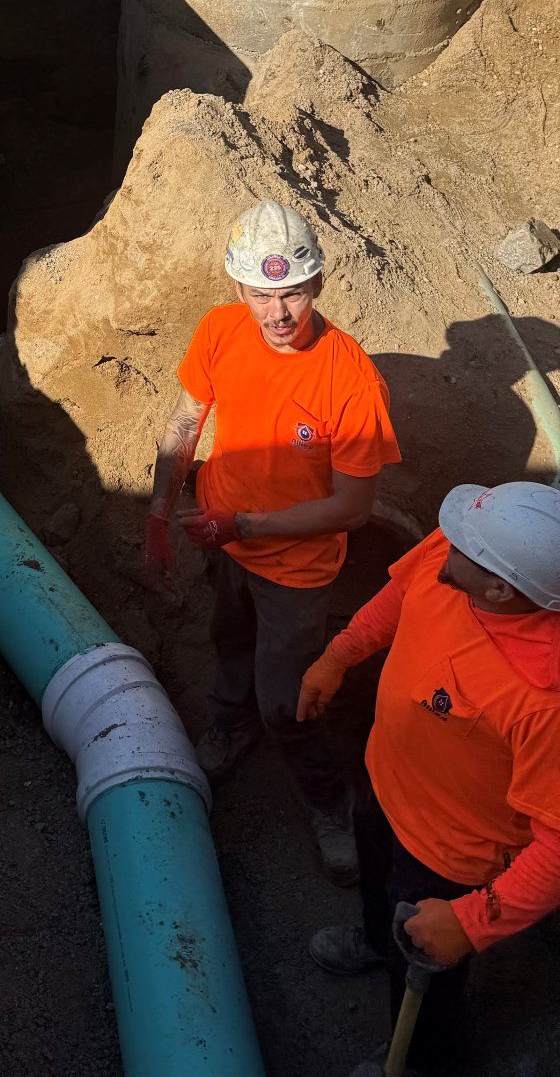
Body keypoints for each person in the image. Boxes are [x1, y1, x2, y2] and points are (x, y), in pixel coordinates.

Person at [145, 199, 400, 883]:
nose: (278, 314)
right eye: (261, 294)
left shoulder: (350, 377)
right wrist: (158, 514)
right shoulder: (221, 331)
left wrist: (246, 527)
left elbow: (351, 506)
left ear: (318, 283)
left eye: (291, 293)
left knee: (287, 701)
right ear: (237, 290)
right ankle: (230, 724)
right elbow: (186, 420)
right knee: (229, 640)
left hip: (297, 568)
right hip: (222, 540)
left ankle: (330, 804)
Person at [303, 481, 560, 1077]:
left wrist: (470, 922)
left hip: (448, 859)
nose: (443, 542)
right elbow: (400, 594)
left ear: (499, 588)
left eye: (459, 546)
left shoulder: (542, 701)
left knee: (425, 970)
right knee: (379, 893)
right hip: (384, 781)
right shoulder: (467, 552)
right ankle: (374, 939)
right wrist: (338, 656)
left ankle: (423, 1060)